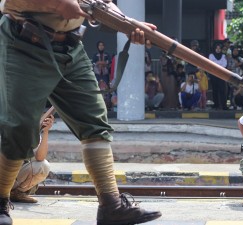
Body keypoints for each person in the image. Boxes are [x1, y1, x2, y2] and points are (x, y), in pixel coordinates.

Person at [0, 1, 161, 225]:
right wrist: (55, 5)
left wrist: (127, 24)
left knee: (94, 120)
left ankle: (111, 205)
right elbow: (8, 3)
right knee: (20, 126)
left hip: (70, 47)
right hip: (23, 44)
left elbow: (101, 4)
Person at [10, 114, 54, 203]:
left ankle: (17, 193)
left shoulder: (29, 129)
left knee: (43, 166)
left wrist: (45, 131)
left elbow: (40, 157)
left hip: (14, 177)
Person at [208, 43, 228, 110]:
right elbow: (211, 64)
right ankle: (216, 104)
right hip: (214, 75)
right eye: (217, 48)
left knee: (223, 90)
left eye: (219, 48)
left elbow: (224, 64)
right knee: (215, 90)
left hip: (222, 75)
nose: (218, 50)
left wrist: (217, 65)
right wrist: (219, 65)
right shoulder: (211, 55)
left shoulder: (223, 56)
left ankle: (224, 105)